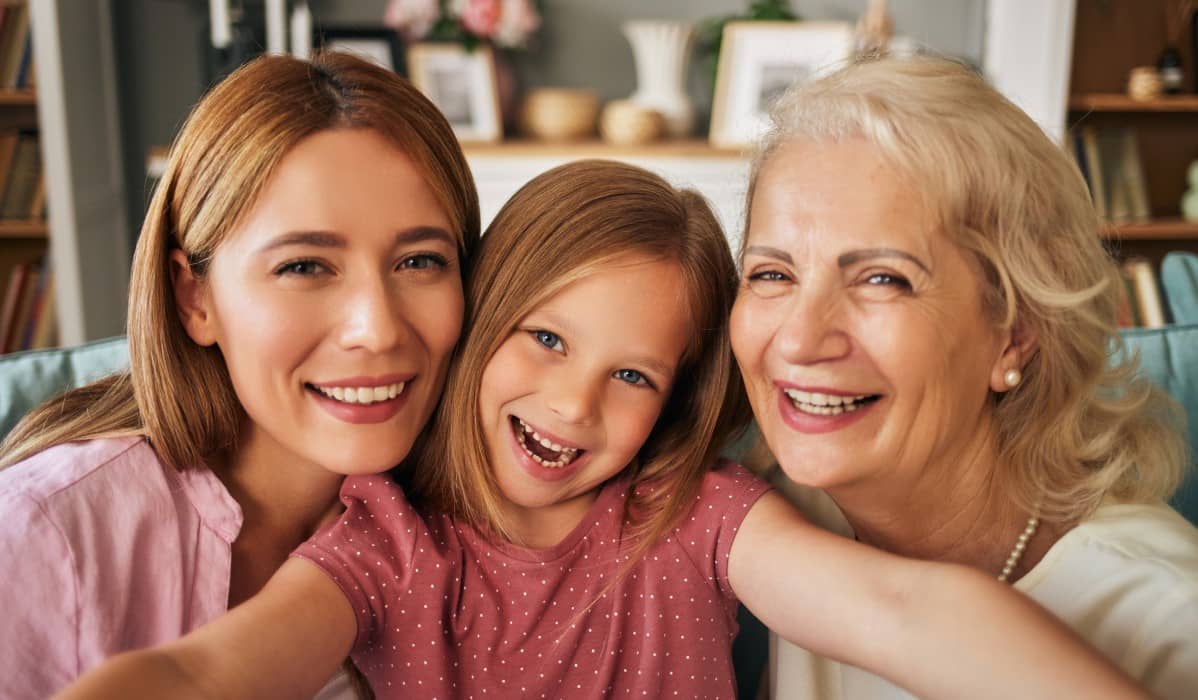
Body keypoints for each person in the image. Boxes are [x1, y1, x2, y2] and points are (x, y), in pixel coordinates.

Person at [57, 159, 1147, 700]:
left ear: (674, 401)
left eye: (630, 373)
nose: (574, 406)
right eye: (542, 339)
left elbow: (906, 609)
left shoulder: (696, 517)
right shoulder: (382, 543)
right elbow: (208, 676)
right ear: (477, 325)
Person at [0, 51, 479, 700]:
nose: (379, 329)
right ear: (195, 298)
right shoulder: (40, 532)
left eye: (421, 260)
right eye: (305, 267)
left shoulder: (480, 527)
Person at [729, 55, 1198, 699]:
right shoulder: (765, 521)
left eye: (882, 279)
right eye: (772, 274)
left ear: (1015, 333)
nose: (800, 340)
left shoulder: (1169, 618)